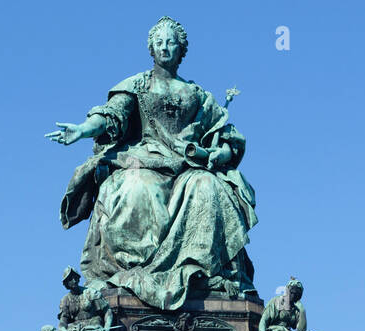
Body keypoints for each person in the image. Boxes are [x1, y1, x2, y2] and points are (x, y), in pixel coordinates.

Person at [47, 16, 258, 311]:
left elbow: (226, 139)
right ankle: (136, 274)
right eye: (159, 42)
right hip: (143, 161)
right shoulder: (137, 85)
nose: (165, 47)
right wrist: (83, 129)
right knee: (135, 188)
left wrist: (214, 155)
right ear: (151, 49)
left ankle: (197, 272)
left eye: (171, 42)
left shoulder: (198, 95)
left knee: (209, 186)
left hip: (187, 168)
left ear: (181, 50)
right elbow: (111, 115)